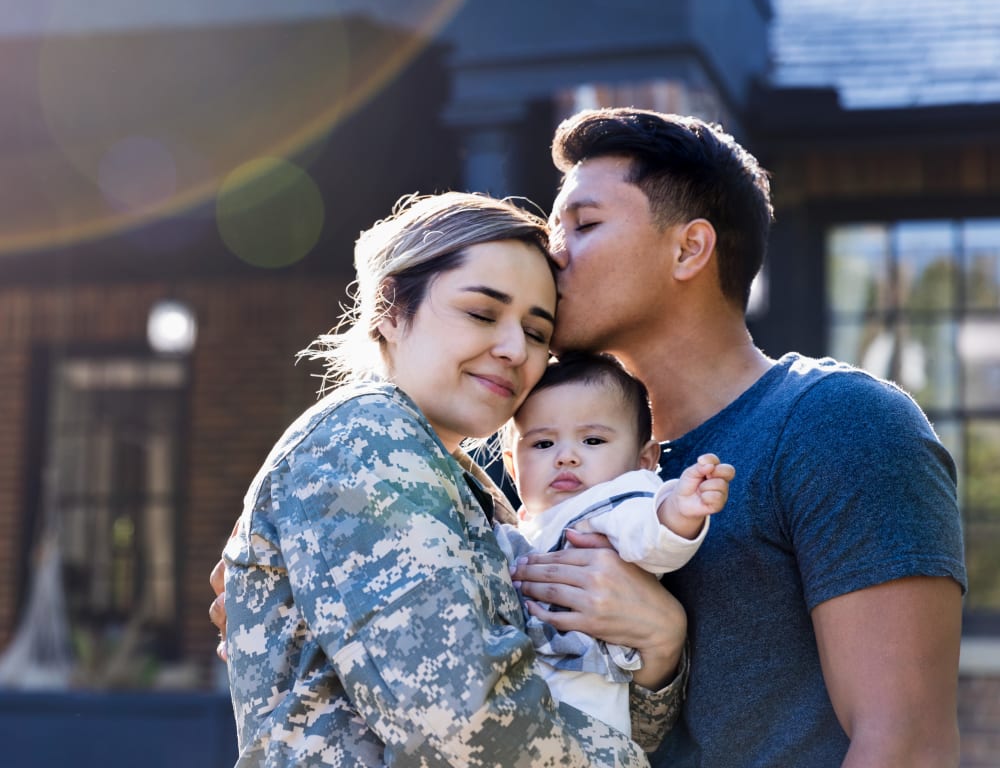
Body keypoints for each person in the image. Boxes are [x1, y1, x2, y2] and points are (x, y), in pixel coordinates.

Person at [509, 107, 967, 767]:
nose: (552, 253)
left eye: (583, 224)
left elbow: (908, 746)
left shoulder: (839, 424)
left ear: (690, 248)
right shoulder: (547, 458)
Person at [219, 191, 688, 767]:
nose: (516, 349)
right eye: (482, 314)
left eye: (538, 333)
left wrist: (661, 644)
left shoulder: (464, 483)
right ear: (391, 309)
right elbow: (466, 728)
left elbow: (577, 708)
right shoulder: (365, 439)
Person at [493, 351, 733, 737]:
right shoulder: (525, 523)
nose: (566, 457)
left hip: (585, 710)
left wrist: (679, 510)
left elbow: (649, 537)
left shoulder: (613, 501)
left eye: (592, 440)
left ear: (644, 460)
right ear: (511, 463)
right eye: (542, 444)